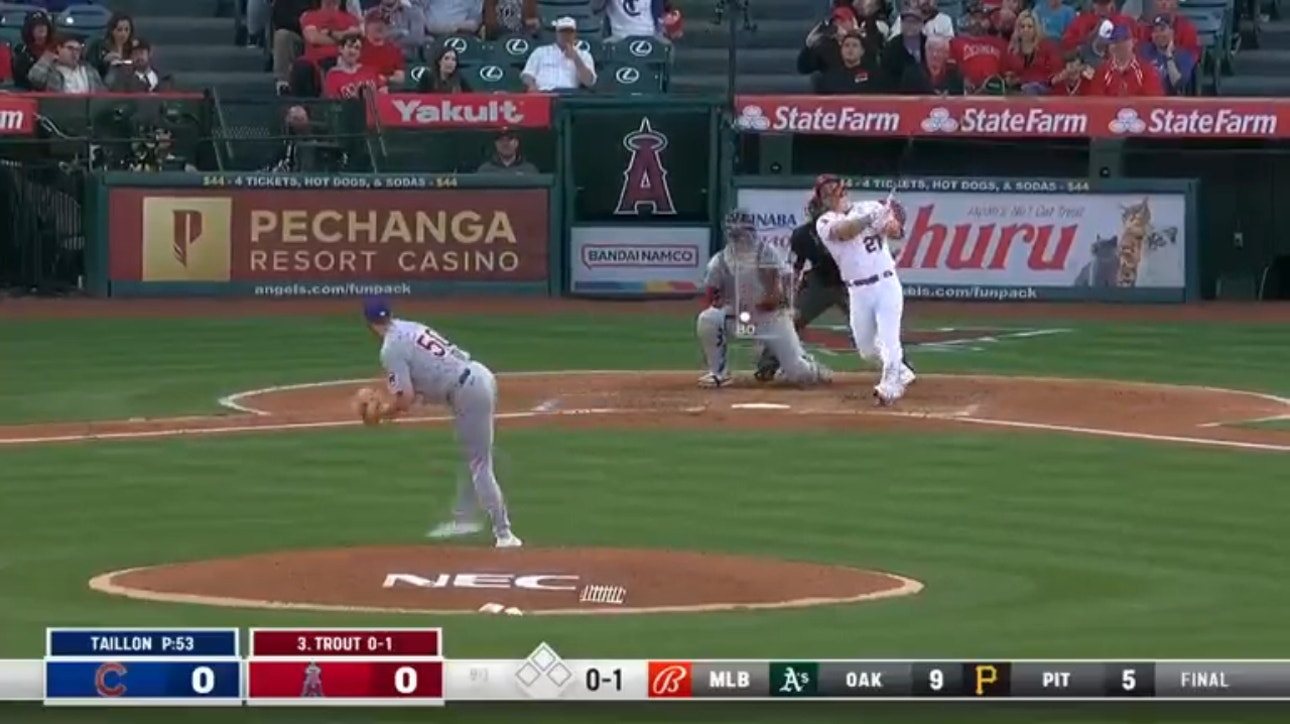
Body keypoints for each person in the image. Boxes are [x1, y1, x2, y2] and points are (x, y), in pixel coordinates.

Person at [356, 297, 522, 549]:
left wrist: (381, 415)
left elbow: (405, 398)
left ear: (368, 324)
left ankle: (504, 534)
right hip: (478, 375)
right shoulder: (409, 326)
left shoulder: (390, 349)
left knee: (479, 464)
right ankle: (465, 516)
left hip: (468, 391)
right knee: (475, 455)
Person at [694, 209, 833, 389]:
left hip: (771, 319)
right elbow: (710, 294)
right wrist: (719, 305)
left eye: (743, 233)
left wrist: (779, 303)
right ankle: (718, 372)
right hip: (739, 317)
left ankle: (812, 367)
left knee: (799, 374)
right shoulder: (719, 261)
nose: (740, 238)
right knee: (708, 318)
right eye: (736, 234)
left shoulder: (766, 253)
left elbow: (779, 290)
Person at [813, 176, 917, 405]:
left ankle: (890, 388)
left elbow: (896, 232)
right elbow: (844, 231)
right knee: (867, 349)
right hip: (858, 290)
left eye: (832, 188)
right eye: (824, 192)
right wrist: (870, 218)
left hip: (885, 283)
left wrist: (890, 223)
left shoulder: (871, 206)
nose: (830, 193)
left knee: (890, 340)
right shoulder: (824, 222)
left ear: (842, 189)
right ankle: (900, 370)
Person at [752, 190, 853, 383]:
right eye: (815, 208)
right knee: (789, 321)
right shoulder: (801, 235)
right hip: (819, 284)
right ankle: (768, 364)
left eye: (821, 208)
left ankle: (900, 367)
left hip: (850, 283)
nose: (817, 211)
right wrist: (790, 294)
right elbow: (796, 266)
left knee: (872, 325)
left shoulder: (844, 229)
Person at [519, 16, 596, 92]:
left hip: (569, 96)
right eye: (563, 32)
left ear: (574, 34)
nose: (566, 36)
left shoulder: (584, 55)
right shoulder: (540, 51)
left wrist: (576, 59)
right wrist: (532, 85)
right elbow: (527, 74)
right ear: (557, 33)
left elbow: (589, 82)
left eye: (569, 32)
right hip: (544, 93)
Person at [1089, 21, 1162, 95]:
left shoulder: (1146, 71)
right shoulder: (1103, 71)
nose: (1117, 46)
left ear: (1132, 42)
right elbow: (1096, 100)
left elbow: (1152, 100)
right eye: (1114, 43)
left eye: (1121, 42)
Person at [951, 1, 1007, 93]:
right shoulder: (956, 42)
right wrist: (961, 80)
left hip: (994, 90)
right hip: (968, 91)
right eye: (974, 18)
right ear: (968, 20)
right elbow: (951, 70)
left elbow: (1006, 72)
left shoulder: (999, 43)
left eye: (982, 18)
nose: (977, 22)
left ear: (988, 21)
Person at [1003, 10, 1060, 94]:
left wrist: (1025, 80)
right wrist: (1009, 78)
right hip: (1018, 90)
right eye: (1022, 26)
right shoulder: (1012, 49)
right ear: (1018, 29)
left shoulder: (1047, 47)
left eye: (1030, 26)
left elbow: (1055, 72)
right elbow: (1007, 71)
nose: (1026, 29)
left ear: (1036, 29)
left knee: (1030, 89)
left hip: (1043, 88)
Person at [27, 34, 106, 93]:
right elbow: (34, 78)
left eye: (77, 50)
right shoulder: (51, 70)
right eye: (70, 48)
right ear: (59, 48)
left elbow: (103, 94)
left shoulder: (89, 70)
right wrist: (46, 60)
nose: (74, 53)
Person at [1139, 13, 1195, 95]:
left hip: (1170, 103)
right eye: (1155, 31)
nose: (1158, 34)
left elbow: (1177, 83)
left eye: (1162, 30)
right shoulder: (1144, 51)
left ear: (1172, 32)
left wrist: (1169, 56)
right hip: (1146, 100)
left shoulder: (1183, 56)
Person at [880, 3, 928, 92]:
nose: (909, 25)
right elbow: (885, 76)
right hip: (898, 95)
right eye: (906, 21)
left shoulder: (927, 44)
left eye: (913, 22)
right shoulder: (892, 47)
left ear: (921, 24)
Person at [323, 33, 387, 98]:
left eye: (357, 48)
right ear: (341, 49)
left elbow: (383, 91)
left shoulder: (370, 71)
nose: (353, 51)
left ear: (360, 53)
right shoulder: (333, 75)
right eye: (350, 46)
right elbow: (332, 104)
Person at [815, 31, 881, 93]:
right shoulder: (830, 76)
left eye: (855, 45)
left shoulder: (873, 74)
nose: (850, 49)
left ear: (862, 51)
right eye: (846, 45)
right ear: (841, 50)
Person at [359, 11, 407, 88]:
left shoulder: (394, 50)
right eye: (376, 23)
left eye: (384, 23)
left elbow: (400, 78)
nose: (381, 26)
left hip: (386, 90)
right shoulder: (358, 47)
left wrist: (385, 79)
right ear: (367, 26)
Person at [1062, 0, 1130, 52]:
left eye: (1105, 4)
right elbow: (1067, 43)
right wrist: (1094, 32)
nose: (1102, 7)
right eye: (1099, 4)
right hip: (1085, 62)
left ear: (1112, 3)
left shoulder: (1121, 21)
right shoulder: (1082, 20)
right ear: (1093, 4)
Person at [11, 10, 55, 91]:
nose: (41, 27)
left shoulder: (57, 49)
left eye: (43, 24)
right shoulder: (22, 53)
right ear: (29, 29)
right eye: (36, 25)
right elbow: (23, 81)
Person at [90, 11, 133, 79]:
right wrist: (104, 62)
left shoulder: (132, 48)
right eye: (119, 30)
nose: (123, 34)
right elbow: (90, 69)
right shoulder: (99, 46)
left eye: (126, 30)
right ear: (111, 31)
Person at [888, 0, 954, 39]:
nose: (928, 2)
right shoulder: (905, 18)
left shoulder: (944, 20)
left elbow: (948, 47)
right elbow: (892, 44)